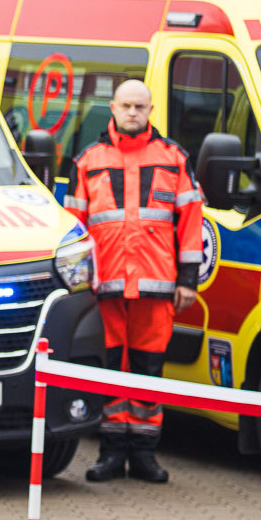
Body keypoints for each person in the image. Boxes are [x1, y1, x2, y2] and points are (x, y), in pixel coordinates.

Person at [63, 78, 204, 484]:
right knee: (110, 369)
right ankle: (110, 453)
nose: (132, 113)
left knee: (147, 370)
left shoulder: (173, 157)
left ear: (150, 110)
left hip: (156, 284)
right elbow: (75, 225)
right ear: (112, 107)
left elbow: (190, 222)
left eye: (139, 107)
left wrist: (187, 280)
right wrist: (78, 281)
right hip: (105, 283)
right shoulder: (88, 160)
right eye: (126, 106)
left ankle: (144, 453)